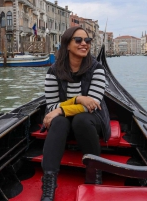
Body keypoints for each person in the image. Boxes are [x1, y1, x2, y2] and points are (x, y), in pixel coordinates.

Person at [40, 26, 111, 201]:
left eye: (87, 41)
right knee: (59, 122)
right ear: (67, 44)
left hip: (92, 121)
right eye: (78, 40)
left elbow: (92, 105)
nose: (84, 44)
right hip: (64, 123)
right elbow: (51, 107)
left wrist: (62, 109)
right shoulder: (54, 71)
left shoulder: (97, 69)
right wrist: (78, 99)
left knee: (81, 119)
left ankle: (95, 173)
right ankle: (49, 183)